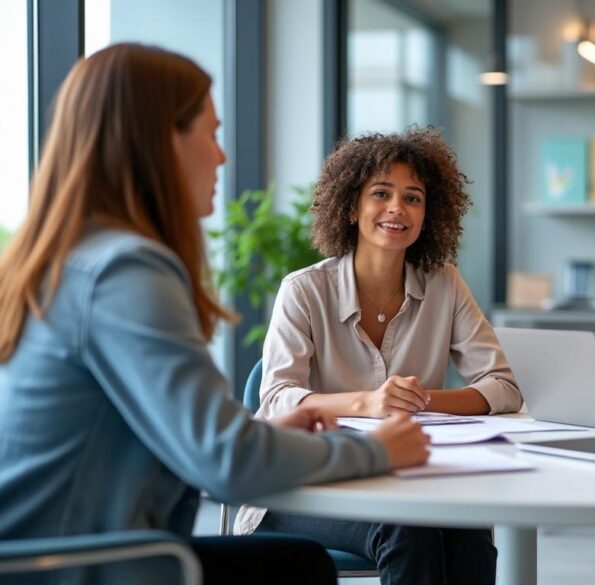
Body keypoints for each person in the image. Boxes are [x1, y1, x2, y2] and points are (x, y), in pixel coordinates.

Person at [0, 43, 429, 585]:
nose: (222, 157)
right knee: (296, 567)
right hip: (70, 567)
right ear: (160, 141)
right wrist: (371, 450)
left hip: (52, 552)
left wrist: (279, 439)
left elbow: (185, 438)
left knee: (294, 564)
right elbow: (226, 463)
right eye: (211, 133)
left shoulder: (79, 259)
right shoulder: (123, 272)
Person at [234, 128, 522, 585]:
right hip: (303, 485)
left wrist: (416, 401)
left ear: (428, 214)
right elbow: (276, 399)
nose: (397, 208)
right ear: (352, 206)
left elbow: (503, 387)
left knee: (467, 525)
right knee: (407, 526)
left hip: (409, 476)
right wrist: (367, 403)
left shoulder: (444, 283)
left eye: (413, 198)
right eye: (381, 194)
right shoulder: (304, 290)